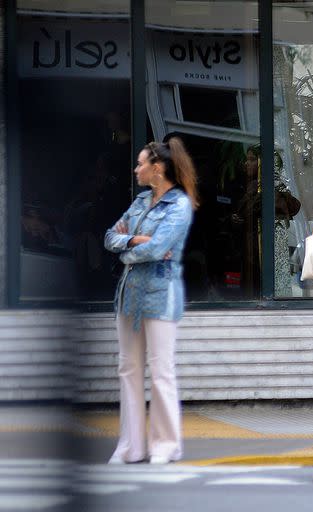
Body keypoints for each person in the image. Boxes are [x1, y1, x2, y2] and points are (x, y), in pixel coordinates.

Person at [104, 138, 199, 464]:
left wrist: (127, 253)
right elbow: (109, 236)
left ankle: (166, 444)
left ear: (156, 168)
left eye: (141, 163)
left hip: (161, 295)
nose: (136, 169)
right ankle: (131, 446)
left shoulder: (179, 205)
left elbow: (158, 250)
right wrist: (134, 239)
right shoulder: (141, 200)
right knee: (128, 369)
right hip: (129, 296)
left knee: (161, 371)